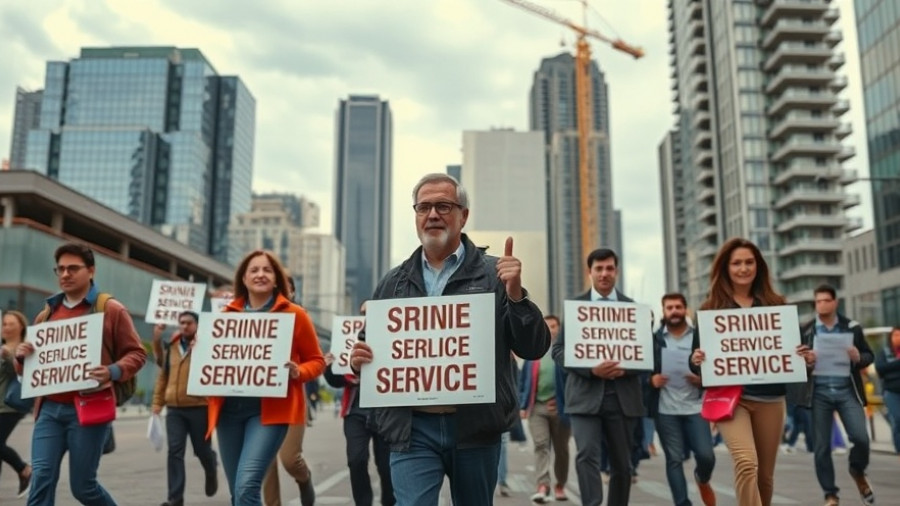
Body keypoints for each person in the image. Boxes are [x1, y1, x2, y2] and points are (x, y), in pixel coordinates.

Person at [349, 173, 550, 505]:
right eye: (423, 207)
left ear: (464, 216)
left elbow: (533, 346)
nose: (432, 215)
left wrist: (516, 296)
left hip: (474, 427)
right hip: (411, 429)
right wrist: (360, 361)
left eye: (443, 206)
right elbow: (369, 347)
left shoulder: (495, 275)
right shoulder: (392, 283)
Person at [14, 242, 147, 505]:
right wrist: (21, 357)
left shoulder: (111, 310)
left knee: (83, 487)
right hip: (49, 410)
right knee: (40, 480)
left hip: (89, 409)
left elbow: (138, 354)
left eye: (73, 268)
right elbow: (29, 371)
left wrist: (112, 371)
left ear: (91, 271)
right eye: (60, 269)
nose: (65, 274)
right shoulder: (45, 316)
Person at [689, 238, 813, 506]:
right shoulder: (711, 310)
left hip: (771, 399)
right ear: (725, 268)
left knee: (765, 478)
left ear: (758, 266)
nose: (743, 268)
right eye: (736, 263)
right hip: (732, 399)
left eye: (749, 262)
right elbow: (695, 360)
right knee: (746, 463)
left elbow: (796, 354)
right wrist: (696, 358)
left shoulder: (777, 305)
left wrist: (807, 357)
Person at [205, 250, 325, 506]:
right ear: (244, 279)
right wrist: (201, 351)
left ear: (276, 277)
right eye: (254, 270)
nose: (260, 274)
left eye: (267, 270)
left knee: (247, 485)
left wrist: (298, 371)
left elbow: (317, 361)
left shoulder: (295, 315)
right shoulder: (226, 317)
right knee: (238, 492)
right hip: (228, 413)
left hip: (269, 413)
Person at [551, 248, 645, 506]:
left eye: (609, 268)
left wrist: (625, 367)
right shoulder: (574, 308)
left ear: (617, 271)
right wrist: (590, 369)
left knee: (622, 464)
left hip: (623, 398)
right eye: (599, 269)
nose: (604, 274)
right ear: (589, 272)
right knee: (586, 456)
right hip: (585, 396)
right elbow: (558, 351)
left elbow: (648, 357)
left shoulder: (633, 309)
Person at [796, 284, 874, 506]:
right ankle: (830, 494)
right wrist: (807, 362)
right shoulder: (807, 330)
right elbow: (796, 366)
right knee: (821, 447)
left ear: (835, 302)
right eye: (817, 301)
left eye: (825, 300)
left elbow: (869, 356)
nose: (821, 305)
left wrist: (859, 356)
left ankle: (857, 469)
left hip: (847, 391)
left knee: (861, 438)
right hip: (818, 393)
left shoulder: (852, 327)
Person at [323, 303, 395, 506]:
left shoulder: (395, 336)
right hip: (355, 410)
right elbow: (335, 379)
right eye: (363, 312)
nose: (365, 316)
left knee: (387, 466)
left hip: (385, 411)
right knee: (356, 459)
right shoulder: (346, 338)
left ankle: (390, 502)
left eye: (370, 312)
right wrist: (330, 368)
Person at [648, 293, 716, 506]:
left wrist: (702, 379)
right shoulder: (654, 340)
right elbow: (641, 371)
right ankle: (682, 503)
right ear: (663, 311)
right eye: (669, 308)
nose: (674, 311)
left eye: (678, 307)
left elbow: (717, 367)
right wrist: (652, 380)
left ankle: (702, 478)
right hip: (665, 409)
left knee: (706, 456)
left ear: (685, 310)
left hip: (696, 407)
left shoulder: (701, 337)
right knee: (674, 459)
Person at [151, 311, 219, 506]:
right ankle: (175, 498)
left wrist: (202, 348)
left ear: (197, 325)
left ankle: (211, 466)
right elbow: (163, 375)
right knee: (175, 451)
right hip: (174, 409)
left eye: (189, 323)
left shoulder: (207, 345)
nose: (184, 326)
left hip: (199, 407)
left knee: (201, 451)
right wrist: (157, 403)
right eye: (181, 323)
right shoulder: (172, 346)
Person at [262, 276, 317, 506]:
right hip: (262, 399)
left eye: (287, 289)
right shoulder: (255, 319)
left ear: (293, 293)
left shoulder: (300, 318)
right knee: (264, 461)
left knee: (290, 459)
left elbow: (316, 361)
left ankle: (304, 479)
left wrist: (300, 371)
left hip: (291, 398)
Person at [519, 314, 570, 503]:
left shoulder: (565, 351)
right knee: (541, 445)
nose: (550, 329)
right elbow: (524, 380)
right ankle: (543, 485)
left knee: (561, 449)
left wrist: (562, 400)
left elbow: (572, 379)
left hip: (560, 408)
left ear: (559, 328)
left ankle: (560, 485)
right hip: (537, 407)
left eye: (554, 326)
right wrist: (523, 405)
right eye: (547, 326)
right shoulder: (535, 350)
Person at [1, 310, 31, 497]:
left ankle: (24, 469)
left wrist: (8, 357)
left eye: (11, 323)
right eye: (4, 323)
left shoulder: (24, 348)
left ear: (21, 326)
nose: (6, 327)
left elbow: (21, 374)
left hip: (10, 404)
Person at [875, 326, 900, 457]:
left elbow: (887, 370)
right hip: (891, 391)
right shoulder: (884, 352)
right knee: (897, 418)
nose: (898, 338)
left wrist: (891, 370)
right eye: (895, 335)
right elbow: (880, 369)